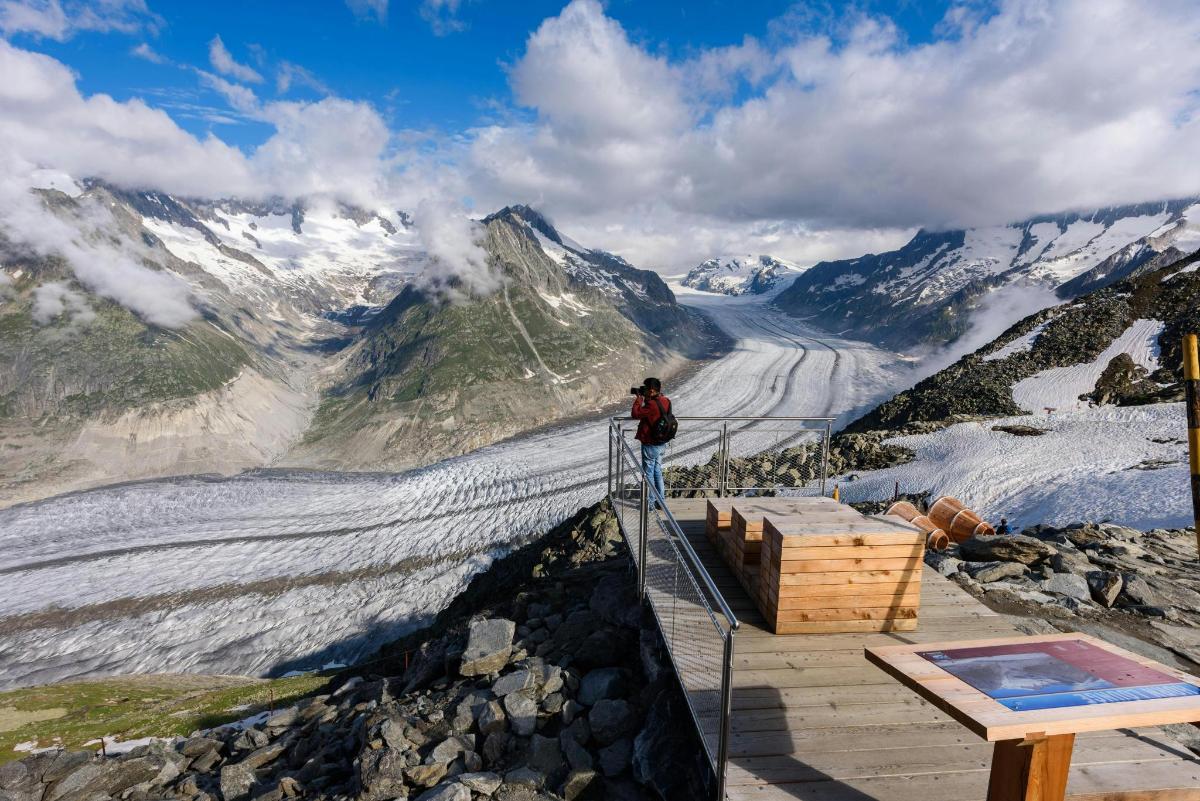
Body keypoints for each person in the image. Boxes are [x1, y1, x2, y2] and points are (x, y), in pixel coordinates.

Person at [631, 377, 670, 507]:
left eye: (646, 389)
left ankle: (650, 504)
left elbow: (636, 414)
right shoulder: (666, 401)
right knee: (657, 471)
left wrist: (638, 399)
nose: (645, 391)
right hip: (661, 443)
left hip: (650, 443)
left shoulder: (652, 404)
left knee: (648, 474)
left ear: (652, 390)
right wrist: (647, 398)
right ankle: (661, 501)